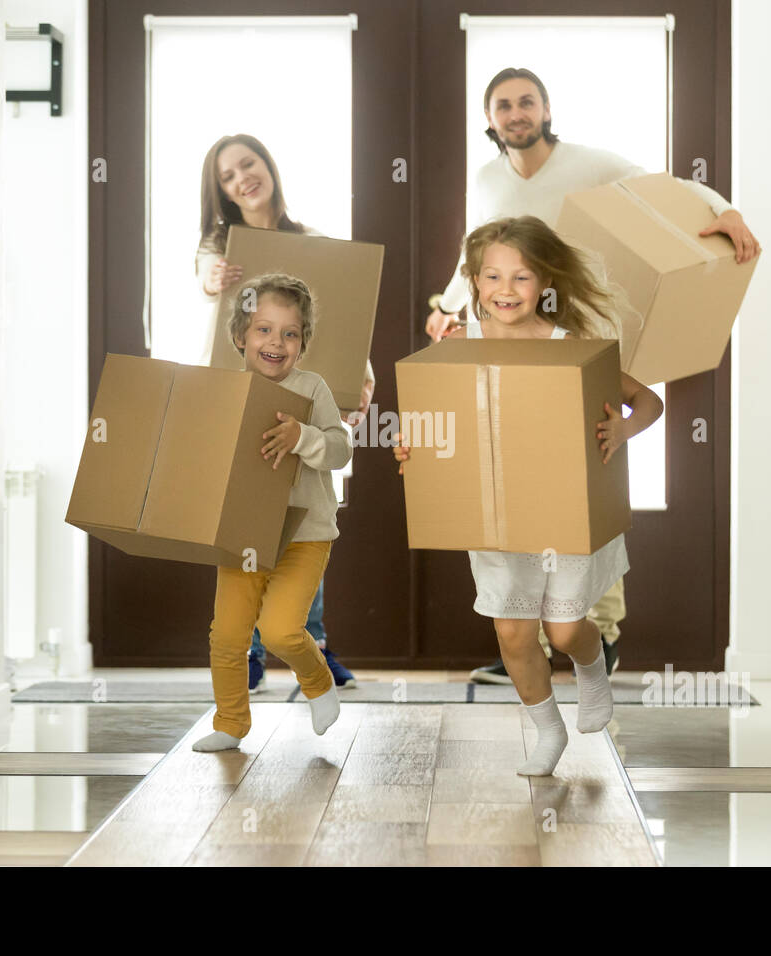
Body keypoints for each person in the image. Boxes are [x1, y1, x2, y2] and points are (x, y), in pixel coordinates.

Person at [425, 67, 761, 685]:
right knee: (517, 471)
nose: (516, 113)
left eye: (527, 102)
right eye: (503, 105)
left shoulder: (588, 164)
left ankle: (600, 637)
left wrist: (727, 211)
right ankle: (520, 638)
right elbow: (473, 255)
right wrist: (448, 309)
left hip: (573, 326)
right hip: (507, 335)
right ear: (491, 118)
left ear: (546, 109)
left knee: (587, 465)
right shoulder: (486, 178)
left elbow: (673, 187)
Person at [396, 216, 663, 775]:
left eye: (520, 277)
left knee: (563, 629)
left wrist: (621, 431)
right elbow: (433, 419)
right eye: (491, 276)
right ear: (473, 283)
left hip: (563, 514)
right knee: (514, 632)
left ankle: (591, 669)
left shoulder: (572, 348)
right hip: (497, 514)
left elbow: (649, 403)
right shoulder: (459, 346)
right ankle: (547, 731)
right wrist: (413, 446)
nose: (504, 290)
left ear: (545, 283)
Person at [195, 133, 372, 692]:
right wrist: (213, 277)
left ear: (267, 167)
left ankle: (310, 641)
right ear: (220, 191)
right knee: (245, 516)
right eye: (227, 175)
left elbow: (341, 319)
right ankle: (246, 648)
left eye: (248, 164)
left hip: (295, 393)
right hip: (237, 393)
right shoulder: (218, 247)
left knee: (304, 514)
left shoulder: (311, 243)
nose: (242, 177)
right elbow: (205, 279)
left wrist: (360, 380)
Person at [193, 273, 351, 752]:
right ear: (240, 336)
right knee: (228, 635)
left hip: (305, 533)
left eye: (289, 332)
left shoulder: (312, 388)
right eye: (263, 329)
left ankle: (318, 682)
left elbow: (341, 449)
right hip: (244, 533)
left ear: (302, 342)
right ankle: (231, 723)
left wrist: (302, 437)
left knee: (281, 630)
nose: (276, 342)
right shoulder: (226, 389)